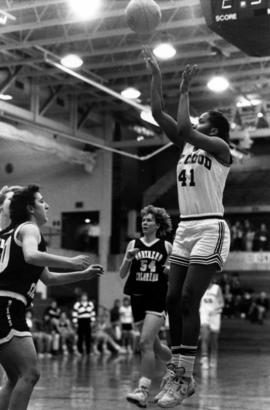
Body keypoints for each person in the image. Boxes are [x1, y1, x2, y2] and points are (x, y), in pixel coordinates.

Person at [144, 47, 231, 407]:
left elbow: (182, 126)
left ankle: (184, 375)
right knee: (170, 300)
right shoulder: (186, 144)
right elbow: (156, 113)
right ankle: (179, 376)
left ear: (213, 127)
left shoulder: (219, 147)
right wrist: (157, 78)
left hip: (211, 227)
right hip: (185, 228)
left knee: (187, 299)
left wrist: (184, 89)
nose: (198, 120)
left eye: (203, 117)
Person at [0, 184, 104, 410]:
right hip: (7, 305)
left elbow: (47, 279)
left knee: (14, 378)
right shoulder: (29, 228)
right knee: (30, 373)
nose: (47, 205)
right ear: (30, 208)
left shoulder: (8, 232)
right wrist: (71, 261)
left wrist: (82, 274)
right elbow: (31, 255)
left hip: (7, 305)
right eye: (41, 201)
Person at [120, 204, 172, 407]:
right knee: (155, 346)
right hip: (137, 298)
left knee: (144, 344)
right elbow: (122, 273)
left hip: (156, 298)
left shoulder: (167, 246)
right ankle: (177, 367)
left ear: (158, 224)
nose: (145, 222)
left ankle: (143, 390)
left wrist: (169, 271)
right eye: (143, 220)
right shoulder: (133, 243)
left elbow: (175, 274)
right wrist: (128, 258)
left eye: (149, 220)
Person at [199, 281, 224, 370]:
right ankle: (205, 359)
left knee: (214, 340)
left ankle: (213, 358)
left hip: (215, 315)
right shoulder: (200, 287)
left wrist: (214, 309)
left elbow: (221, 303)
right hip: (204, 314)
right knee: (204, 338)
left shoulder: (216, 288)